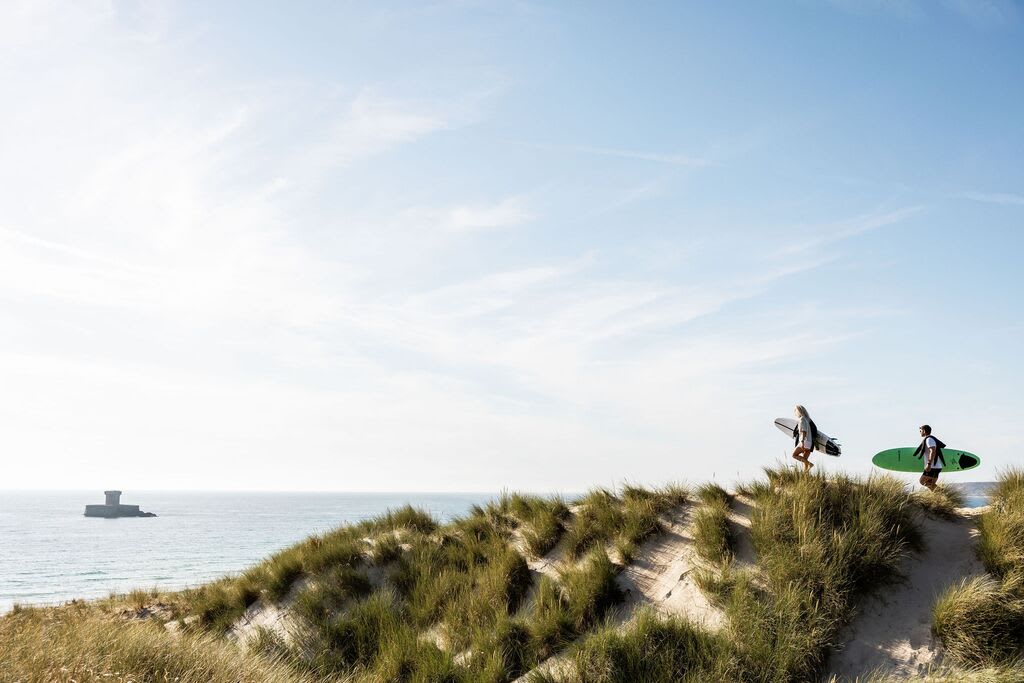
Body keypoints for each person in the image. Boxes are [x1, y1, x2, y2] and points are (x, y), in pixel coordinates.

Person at [916, 424, 946, 491]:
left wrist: (929, 464)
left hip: (932, 467)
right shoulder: (930, 439)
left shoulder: (929, 439)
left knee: (922, 481)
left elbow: (932, 451)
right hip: (937, 467)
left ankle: (944, 492)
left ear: (924, 430)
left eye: (920, 430)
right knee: (931, 485)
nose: (920, 432)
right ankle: (943, 495)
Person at [792, 405, 817, 472]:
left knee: (794, 455)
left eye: (795, 411)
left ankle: (810, 464)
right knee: (804, 460)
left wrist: (802, 442)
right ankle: (805, 476)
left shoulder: (802, 419)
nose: (795, 413)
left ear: (798, 411)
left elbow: (804, 431)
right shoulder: (807, 419)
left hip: (804, 441)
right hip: (809, 442)